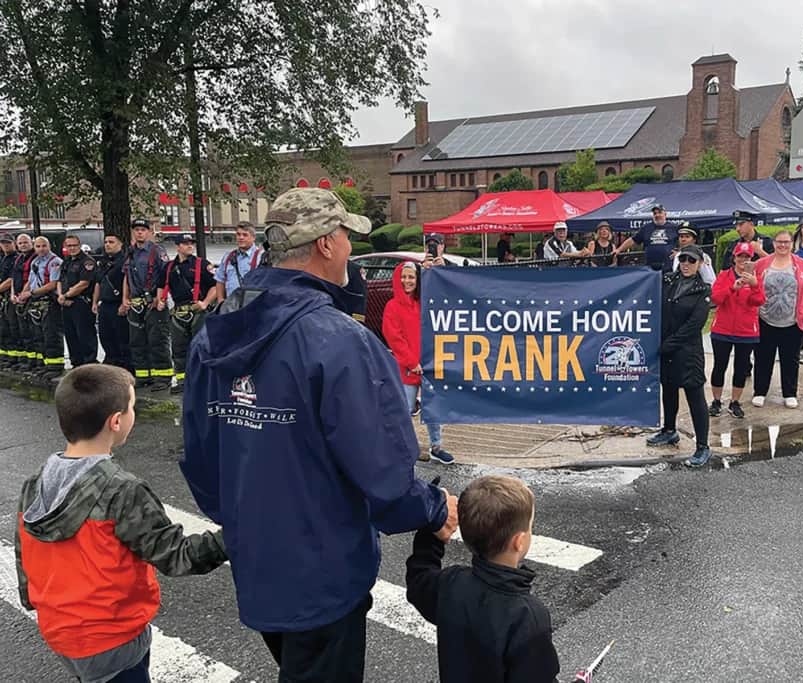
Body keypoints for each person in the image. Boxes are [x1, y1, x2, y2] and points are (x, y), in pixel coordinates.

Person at [180, 187, 458, 682]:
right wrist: (432, 508)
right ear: (326, 244)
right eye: (347, 237)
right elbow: (383, 470)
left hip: (258, 561)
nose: (352, 248)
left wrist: (245, 519)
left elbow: (202, 457)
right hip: (324, 571)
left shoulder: (214, 333)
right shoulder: (339, 341)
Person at [14, 364, 227, 683]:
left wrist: (30, 597)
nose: (133, 413)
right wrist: (236, 536)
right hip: (113, 637)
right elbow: (175, 555)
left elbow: (24, 551)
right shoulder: (121, 490)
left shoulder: (35, 483)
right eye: (132, 406)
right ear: (116, 421)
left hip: (61, 632)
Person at [406, 475, 559, 683]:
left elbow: (419, 580)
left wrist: (432, 531)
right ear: (519, 542)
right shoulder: (527, 614)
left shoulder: (451, 584)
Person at [382, 261, 455, 464]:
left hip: (429, 365)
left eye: (411, 277)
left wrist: (437, 269)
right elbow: (394, 338)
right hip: (407, 368)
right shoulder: (392, 306)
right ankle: (398, 447)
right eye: (403, 277)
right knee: (404, 410)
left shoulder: (424, 302)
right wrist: (411, 362)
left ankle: (436, 446)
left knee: (434, 409)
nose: (407, 281)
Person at [647, 244, 714, 468]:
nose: (686, 264)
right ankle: (669, 430)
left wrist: (668, 344)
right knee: (669, 389)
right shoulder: (668, 281)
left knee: (695, 397)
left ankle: (703, 446)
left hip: (688, 352)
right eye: (683, 259)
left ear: (700, 264)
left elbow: (695, 325)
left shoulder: (703, 290)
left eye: (691, 260)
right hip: (666, 350)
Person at [751, 230, 803, 409]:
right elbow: (751, 286)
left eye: (786, 242)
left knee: (790, 358)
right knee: (762, 357)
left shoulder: (801, 264)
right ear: (773, 243)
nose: (783, 245)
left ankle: (790, 393)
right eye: (779, 242)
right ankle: (760, 391)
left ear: (791, 243)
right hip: (765, 319)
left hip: (792, 321)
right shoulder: (762, 264)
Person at [709, 242, 766, 418]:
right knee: (720, 365)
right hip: (723, 329)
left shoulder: (755, 277)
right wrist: (732, 288)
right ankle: (717, 401)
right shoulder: (724, 275)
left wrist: (755, 285)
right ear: (734, 258)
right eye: (740, 256)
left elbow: (760, 301)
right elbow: (715, 298)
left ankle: (735, 402)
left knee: (741, 368)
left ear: (751, 259)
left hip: (746, 330)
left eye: (747, 257)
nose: (743, 260)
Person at [160, 233, 218, 394]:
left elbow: (216, 286)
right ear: (177, 247)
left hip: (198, 312)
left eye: (191, 243)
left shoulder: (202, 264)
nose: (190, 246)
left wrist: (205, 303)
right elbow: (161, 285)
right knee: (178, 349)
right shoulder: (169, 267)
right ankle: (183, 381)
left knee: (201, 348)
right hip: (178, 313)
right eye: (185, 244)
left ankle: (204, 382)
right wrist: (160, 300)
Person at [122, 218, 173, 390]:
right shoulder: (130, 252)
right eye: (136, 229)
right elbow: (126, 277)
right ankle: (143, 375)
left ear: (149, 232)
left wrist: (161, 298)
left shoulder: (157, 251)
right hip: (136, 304)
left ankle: (163, 377)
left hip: (154, 302)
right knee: (137, 341)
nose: (139, 232)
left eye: (143, 230)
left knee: (157, 340)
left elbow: (166, 275)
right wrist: (125, 298)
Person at [18, 236, 64, 378]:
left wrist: (30, 293)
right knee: (39, 335)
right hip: (36, 302)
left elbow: (52, 284)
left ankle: (55, 366)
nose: (41, 249)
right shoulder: (35, 261)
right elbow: (31, 280)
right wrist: (23, 294)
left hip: (49, 301)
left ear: (49, 246)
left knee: (51, 335)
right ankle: (45, 364)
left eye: (44, 246)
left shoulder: (55, 262)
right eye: (38, 246)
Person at [57, 234, 98, 368]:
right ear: (65, 247)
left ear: (79, 245)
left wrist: (66, 295)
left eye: (75, 245)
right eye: (69, 246)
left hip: (82, 303)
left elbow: (84, 283)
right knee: (71, 335)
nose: (72, 248)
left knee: (85, 334)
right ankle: (76, 363)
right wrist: (60, 296)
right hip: (66, 303)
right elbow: (59, 280)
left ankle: (89, 363)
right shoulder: (67, 261)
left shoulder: (87, 262)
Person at [92, 234, 132, 371]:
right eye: (106, 242)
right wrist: (95, 302)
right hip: (105, 304)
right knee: (105, 336)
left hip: (118, 304)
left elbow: (128, 283)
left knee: (121, 338)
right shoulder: (103, 261)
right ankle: (111, 361)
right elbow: (98, 282)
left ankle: (125, 366)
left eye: (111, 242)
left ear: (120, 244)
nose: (107, 244)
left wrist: (124, 302)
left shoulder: (125, 261)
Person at [613, 204, 676, 270]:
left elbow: (685, 240)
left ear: (665, 214)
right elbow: (633, 240)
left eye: (660, 212)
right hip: (650, 267)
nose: (657, 215)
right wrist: (619, 250)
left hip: (668, 266)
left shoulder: (673, 227)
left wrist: (680, 252)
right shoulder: (646, 228)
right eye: (655, 213)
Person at [214, 221, 263, 300]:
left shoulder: (261, 257)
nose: (241, 237)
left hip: (252, 304)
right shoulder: (228, 257)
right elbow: (220, 280)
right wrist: (220, 300)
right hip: (230, 305)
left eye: (245, 235)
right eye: (238, 234)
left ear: (253, 237)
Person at [9, 234, 36, 369]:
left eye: (25, 242)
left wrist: (22, 295)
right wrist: (13, 294)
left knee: (32, 332)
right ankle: (26, 360)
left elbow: (31, 279)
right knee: (20, 331)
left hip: (30, 298)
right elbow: (14, 278)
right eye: (20, 243)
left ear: (31, 242)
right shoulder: (19, 258)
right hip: (18, 297)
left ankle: (35, 362)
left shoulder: (35, 258)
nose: (23, 245)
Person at [0, 233, 17, 367]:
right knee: (3, 329)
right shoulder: (3, 258)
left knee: (13, 328)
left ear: (13, 243)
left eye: (8, 243)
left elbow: (11, 279)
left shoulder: (15, 259)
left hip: (10, 298)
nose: (5, 245)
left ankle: (15, 359)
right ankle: (5, 357)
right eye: (3, 243)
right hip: (3, 298)